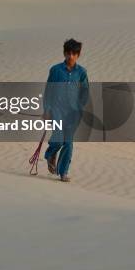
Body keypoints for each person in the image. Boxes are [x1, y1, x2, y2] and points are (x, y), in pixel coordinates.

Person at [43, 38, 89, 182]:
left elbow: (85, 92)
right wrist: (46, 110)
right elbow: (48, 91)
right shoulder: (55, 70)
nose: (71, 56)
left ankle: (63, 172)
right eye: (68, 53)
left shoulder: (81, 72)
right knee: (58, 139)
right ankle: (50, 153)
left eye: (74, 53)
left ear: (78, 55)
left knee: (68, 142)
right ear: (64, 53)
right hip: (56, 110)